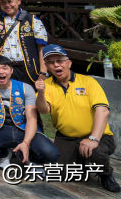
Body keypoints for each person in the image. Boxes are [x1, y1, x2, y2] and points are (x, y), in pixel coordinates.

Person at [35, 44, 119, 192]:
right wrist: (41, 93)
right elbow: (43, 110)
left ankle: (106, 174)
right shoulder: (46, 85)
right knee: (60, 173)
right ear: (47, 66)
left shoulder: (87, 82)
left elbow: (103, 110)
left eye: (60, 60)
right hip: (66, 137)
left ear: (69, 63)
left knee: (96, 152)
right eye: (51, 62)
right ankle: (83, 162)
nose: (56, 65)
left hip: (98, 135)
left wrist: (93, 138)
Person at [0, 55, 59, 168]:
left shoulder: (25, 88)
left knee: (52, 153)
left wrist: (26, 142)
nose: (1, 71)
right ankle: (4, 155)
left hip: (23, 129)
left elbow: (31, 119)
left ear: (11, 70)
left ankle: (31, 158)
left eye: (5, 68)